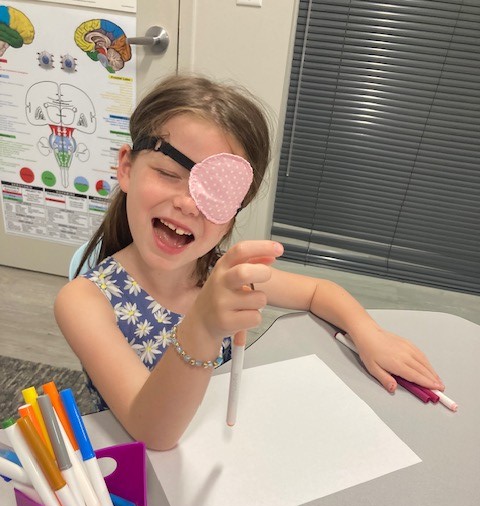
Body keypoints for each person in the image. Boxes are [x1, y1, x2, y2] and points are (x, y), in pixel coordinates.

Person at [55, 74, 444, 451]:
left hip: (223, 448)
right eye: (169, 173)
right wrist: (202, 326)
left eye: (216, 193)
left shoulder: (221, 275)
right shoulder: (84, 302)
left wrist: (368, 333)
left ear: (233, 214)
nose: (187, 203)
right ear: (126, 168)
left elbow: (317, 291)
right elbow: (152, 433)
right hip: (134, 467)